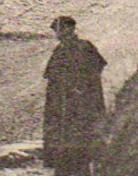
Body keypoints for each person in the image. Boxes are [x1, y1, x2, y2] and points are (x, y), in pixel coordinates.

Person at [42, 16, 106, 175]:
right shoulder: (59, 50)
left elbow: (95, 71)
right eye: (57, 31)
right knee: (63, 151)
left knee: (79, 150)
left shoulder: (84, 47)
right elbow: (52, 77)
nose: (58, 34)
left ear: (70, 29)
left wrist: (79, 90)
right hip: (61, 107)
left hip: (80, 107)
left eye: (61, 29)